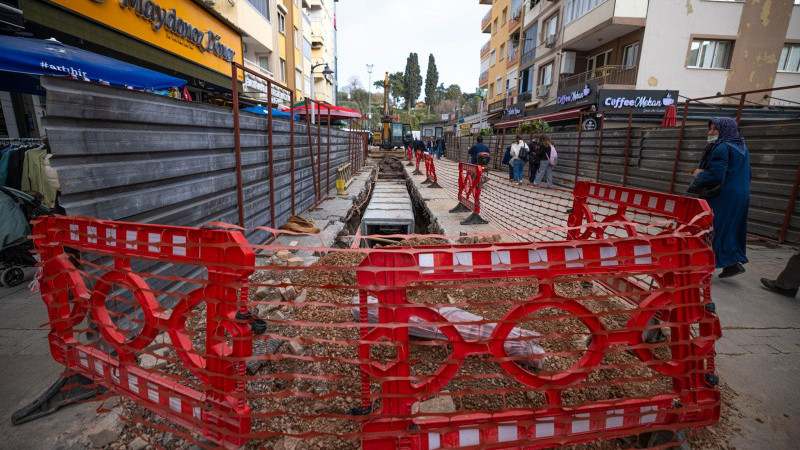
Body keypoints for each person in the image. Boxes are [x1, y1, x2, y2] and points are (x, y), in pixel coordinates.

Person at [690, 117, 751, 278]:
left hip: (723, 196)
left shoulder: (722, 148)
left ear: (725, 130)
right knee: (730, 229)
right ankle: (732, 263)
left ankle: (704, 267)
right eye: (710, 129)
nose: (711, 132)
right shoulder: (741, 147)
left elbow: (716, 175)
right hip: (741, 195)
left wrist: (699, 174)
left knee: (711, 228)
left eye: (715, 129)